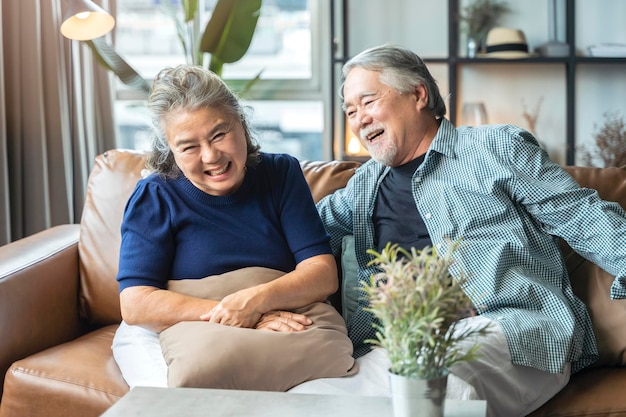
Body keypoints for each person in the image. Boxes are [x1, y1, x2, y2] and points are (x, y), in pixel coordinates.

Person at [292, 44, 626, 416]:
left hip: (512, 331)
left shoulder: (495, 148)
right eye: (350, 111)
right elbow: (302, 236)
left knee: (437, 387)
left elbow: (581, 215)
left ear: (418, 94)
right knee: (307, 399)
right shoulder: (363, 185)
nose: (358, 119)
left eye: (368, 102)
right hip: (399, 347)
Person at [112, 64, 339, 388]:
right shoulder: (155, 195)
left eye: (220, 134)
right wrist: (235, 312)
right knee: (178, 401)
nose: (211, 156)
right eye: (189, 146)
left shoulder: (280, 174)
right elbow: (135, 302)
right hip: (180, 326)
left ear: (242, 125)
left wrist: (255, 302)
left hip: (279, 319)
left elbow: (322, 272)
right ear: (171, 152)